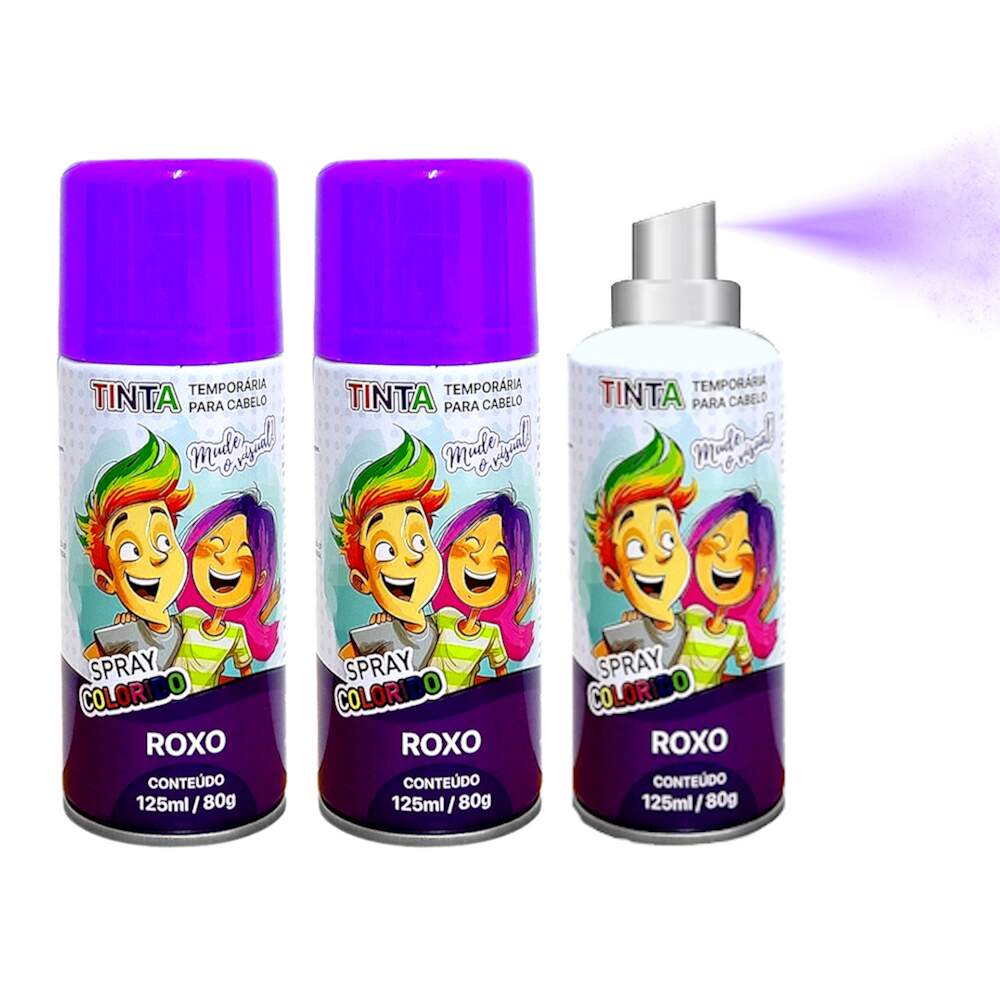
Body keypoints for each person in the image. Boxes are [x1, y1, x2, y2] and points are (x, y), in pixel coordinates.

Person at [331, 430, 449, 669]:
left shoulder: (444, 624)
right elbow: (342, 662)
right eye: (386, 551)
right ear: (361, 581)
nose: (412, 556)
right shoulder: (382, 633)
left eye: (420, 541)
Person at [76, 431, 193, 666]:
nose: (157, 556)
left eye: (164, 541)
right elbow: (87, 665)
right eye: (130, 551)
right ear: (106, 582)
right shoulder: (126, 634)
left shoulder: (188, 625)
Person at [585, 428, 697, 666]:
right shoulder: (630, 632)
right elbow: (595, 663)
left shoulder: (694, 624)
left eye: (668, 540)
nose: (660, 554)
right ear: (613, 578)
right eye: (636, 548)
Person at [173, 492, 281, 692]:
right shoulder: (189, 617)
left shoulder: (235, 633)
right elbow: (158, 630)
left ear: (260, 578)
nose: (223, 558)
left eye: (243, 554)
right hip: (172, 699)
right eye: (215, 545)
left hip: (212, 702)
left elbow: (247, 673)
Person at [428, 491, 535, 692]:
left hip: (467, 702)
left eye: (498, 554)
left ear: (516, 578)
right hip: (427, 699)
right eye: (470, 545)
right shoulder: (444, 617)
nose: (477, 557)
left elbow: (502, 672)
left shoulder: (490, 633)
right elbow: (413, 630)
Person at [677, 491, 779, 691]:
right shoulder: (691, 616)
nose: (725, 556)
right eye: (718, 542)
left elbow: (747, 673)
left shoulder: (736, 631)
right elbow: (661, 631)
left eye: (744, 550)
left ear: (760, 576)